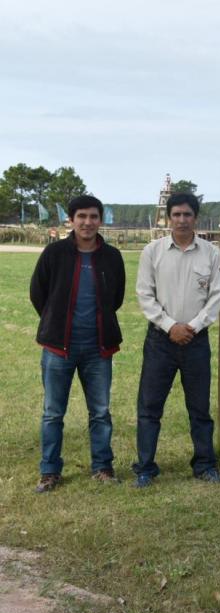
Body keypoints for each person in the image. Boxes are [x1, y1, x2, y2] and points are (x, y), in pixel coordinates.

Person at [29, 195, 125, 492]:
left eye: (93, 216)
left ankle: (102, 467)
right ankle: (49, 471)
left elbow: (116, 298)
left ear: (100, 220)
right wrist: (56, 322)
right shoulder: (54, 253)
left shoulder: (112, 256)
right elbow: (38, 293)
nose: (87, 222)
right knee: (53, 413)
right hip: (59, 348)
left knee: (100, 412)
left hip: (98, 349)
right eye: (81, 216)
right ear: (71, 220)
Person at [132, 192, 220, 487]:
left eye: (187, 214)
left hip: (196, 342)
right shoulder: (153, 251)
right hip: (161, 341)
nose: (182, 220)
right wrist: (171, 325)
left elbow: (216, 296)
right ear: (168, 217)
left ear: (195, 217)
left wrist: (193, 327)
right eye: (177, 214)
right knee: (149, 408)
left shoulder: (211, 252)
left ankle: (205, 465)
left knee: (199, 408)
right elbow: (145, 295)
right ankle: (145, 467)